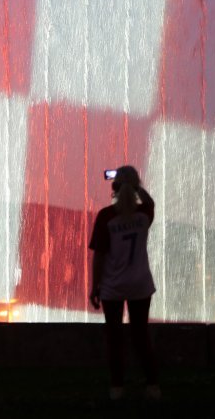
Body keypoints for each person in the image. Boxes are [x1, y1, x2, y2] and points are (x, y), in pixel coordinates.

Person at [88, 165, 160, 401]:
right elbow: (150, 203)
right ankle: (152, 385)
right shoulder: (143, 215)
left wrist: (95, 286)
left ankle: (117, 387)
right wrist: (136, 185)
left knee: (115, 337)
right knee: (141, 336)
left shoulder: (107, 217)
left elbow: (99, 256)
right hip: (140, 284)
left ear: (114, 187)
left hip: (113, 286)